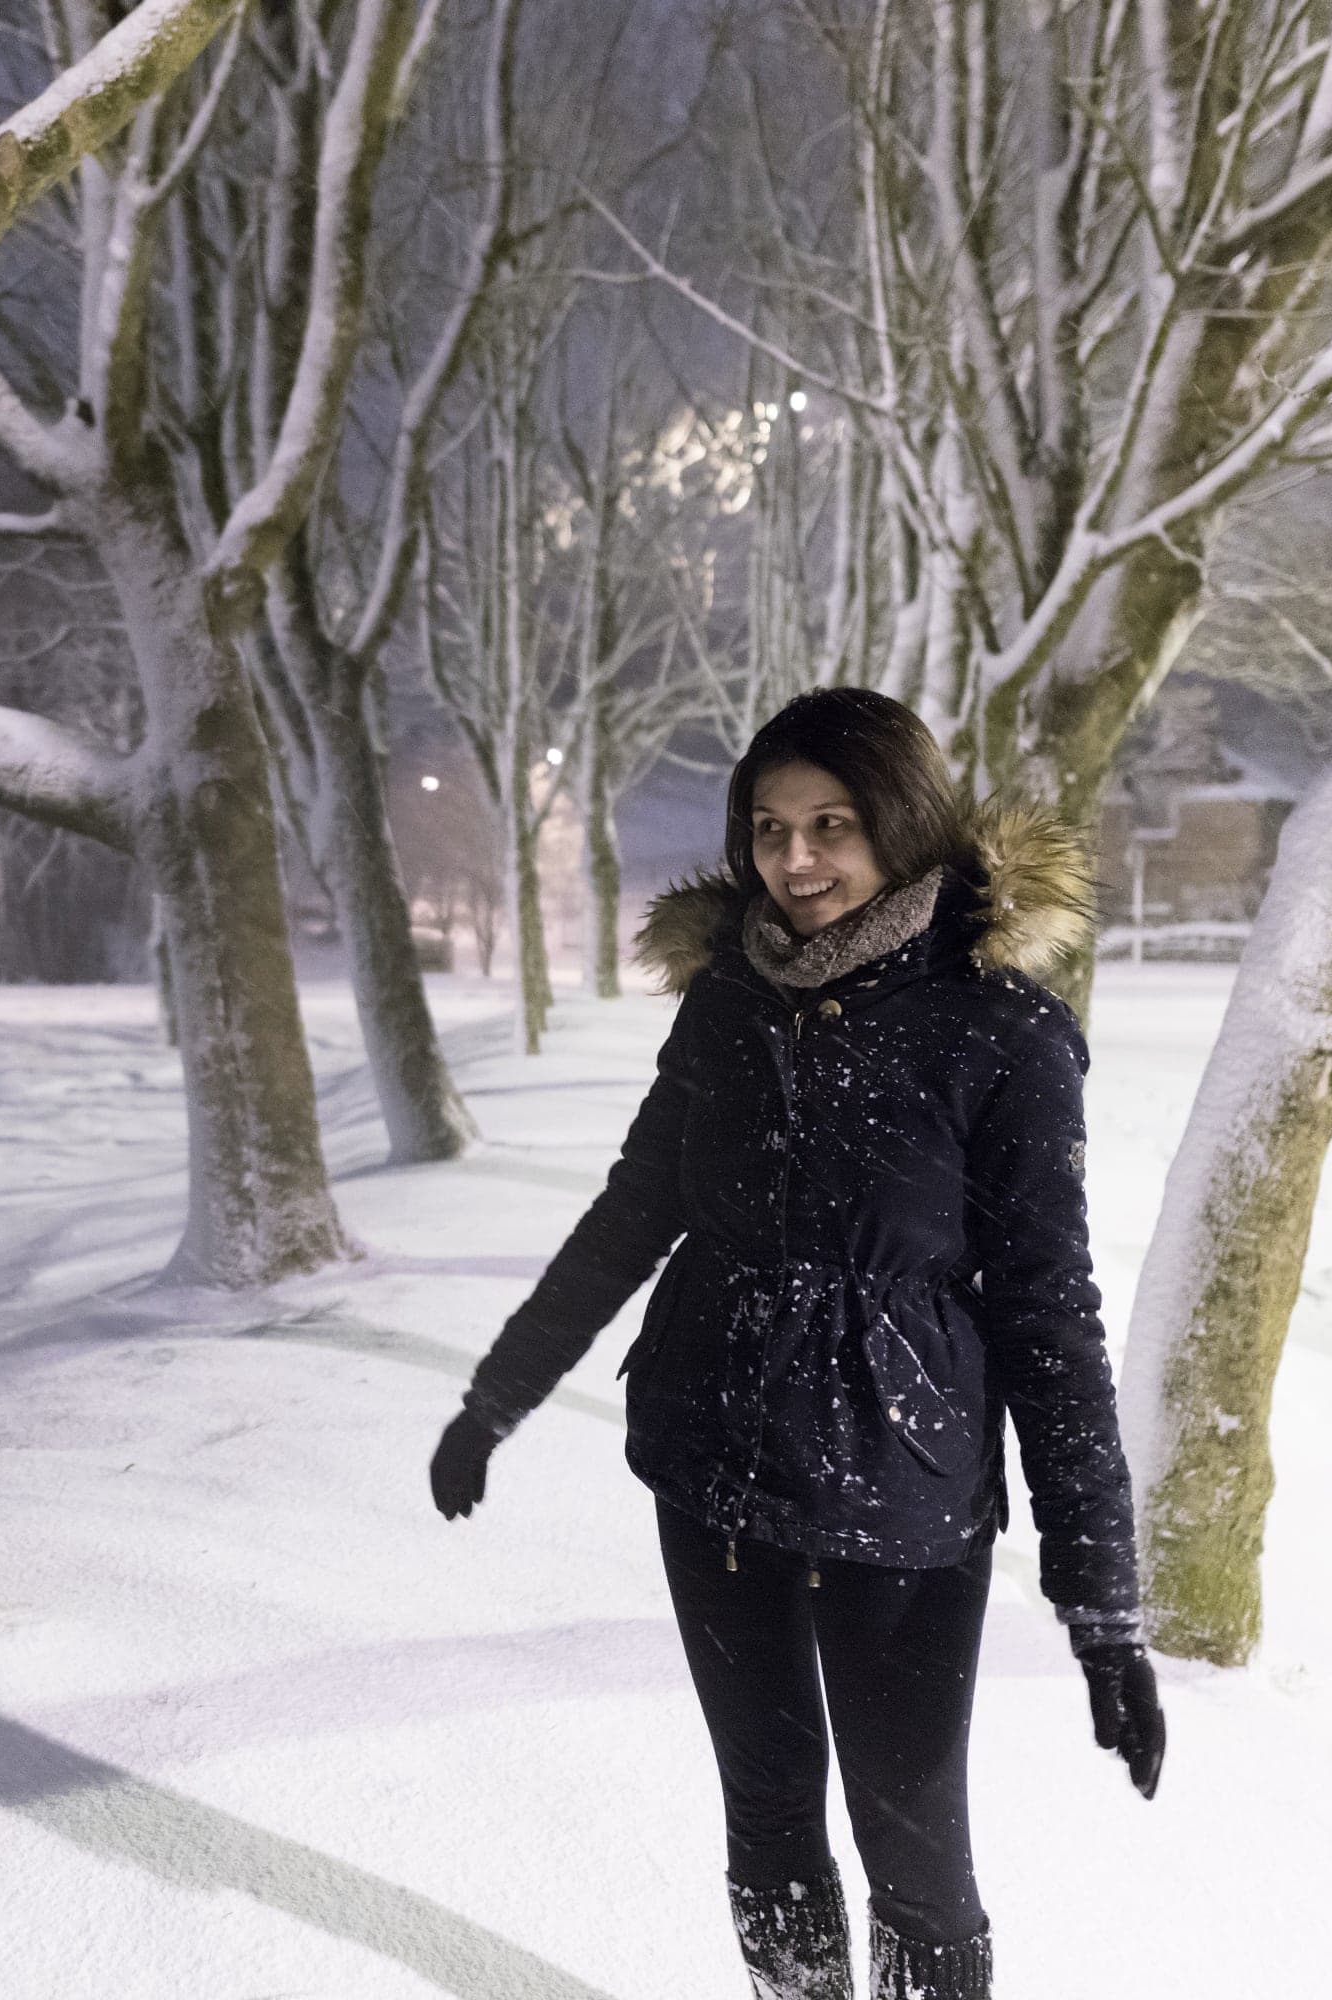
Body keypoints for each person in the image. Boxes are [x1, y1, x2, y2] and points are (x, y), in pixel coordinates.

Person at [428, 688, 1162, 2000]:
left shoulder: (999, 1030)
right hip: (713, 1476)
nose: (798, 859)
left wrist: (1102, 1606)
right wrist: (500, 1395)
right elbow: (635, 1212)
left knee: (915, 1852)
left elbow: (1051, 1320)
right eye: (769, 828)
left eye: (832, 824)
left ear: (905, 825)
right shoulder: (728, 1002)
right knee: (767, 1815)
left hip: (903, 1500)